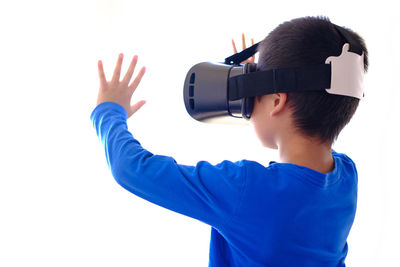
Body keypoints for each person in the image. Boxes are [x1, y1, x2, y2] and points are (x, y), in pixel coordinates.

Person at [91, 16, 368, 267]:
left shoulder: (242, 189)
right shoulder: (345, 177)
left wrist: (109, 111)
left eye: (253, 96)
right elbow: (291, 179)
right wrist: (262, 92)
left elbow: (129, 168)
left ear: (276, 100)